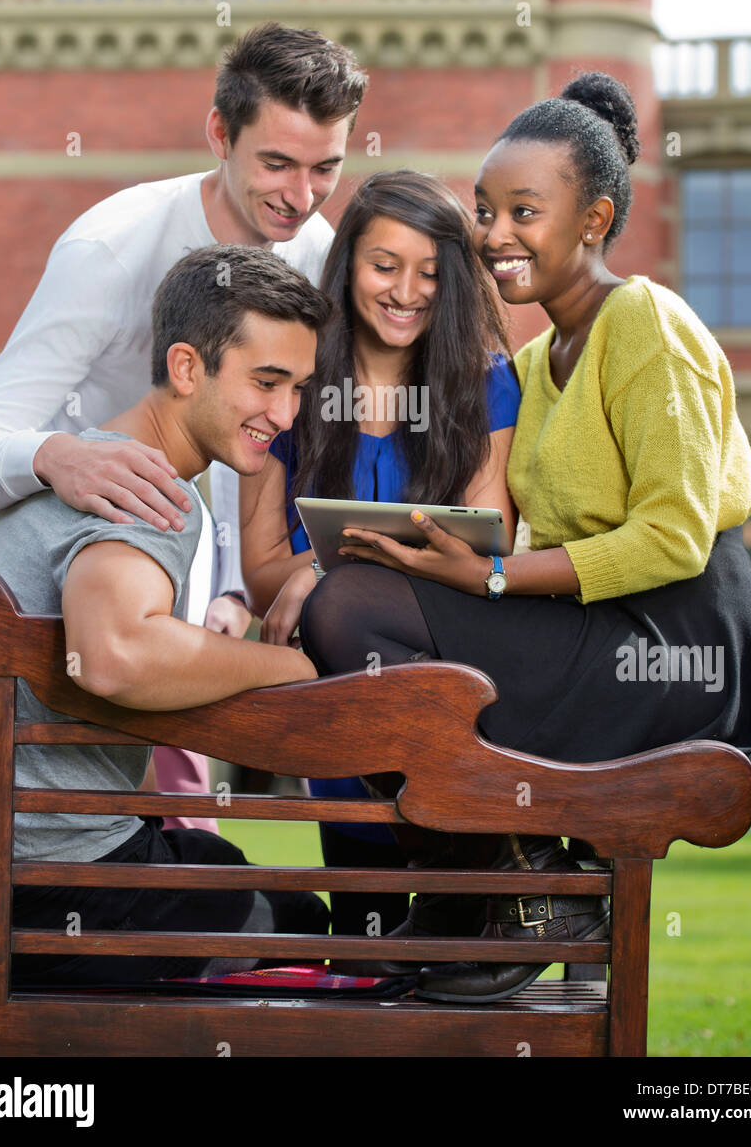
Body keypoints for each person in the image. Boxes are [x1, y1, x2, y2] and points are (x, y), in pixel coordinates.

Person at [298, 73, 751, 1002]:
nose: (493, 234)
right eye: (484, 210)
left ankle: (522, 885)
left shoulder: (645, 320)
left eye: (525, 210)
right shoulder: (530, 362)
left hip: (681, 657)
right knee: (353, 605)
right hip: (590, 628)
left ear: (594, 220)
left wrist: (486, 579)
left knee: (352, 609)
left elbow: (674, 539)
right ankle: (464, 890)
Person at [0, 22, 368, 829]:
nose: (301, 196)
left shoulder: (316, 255)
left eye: (326, 168)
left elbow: (288, 444)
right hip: (13, 606)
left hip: (176, 587)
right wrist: (57, 456)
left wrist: (279, 573)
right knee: (34, 845)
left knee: (185, 842)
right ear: (219, 132)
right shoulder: (111, 247)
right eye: (275, 163)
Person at [0, 245, 333, 988]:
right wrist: (298, 666)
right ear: (187, 369)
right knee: (306, 926)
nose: (283, 415)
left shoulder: (88, 462)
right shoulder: (148, 488)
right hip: (44, 878)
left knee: (226, 870)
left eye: (299, 389)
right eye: (266, 382)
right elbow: (114, 654)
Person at [240, 170, 520, 940]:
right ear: (348, 267)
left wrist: (331, 566)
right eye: (384, 266)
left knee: (455, 960)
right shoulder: (292, 388)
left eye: (431, 271)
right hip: (333, 723)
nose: (408, 291)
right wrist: (317, 573)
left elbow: (476, 553)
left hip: (443, 708)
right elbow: (263, 573)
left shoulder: (485, 385)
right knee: (365, 957)